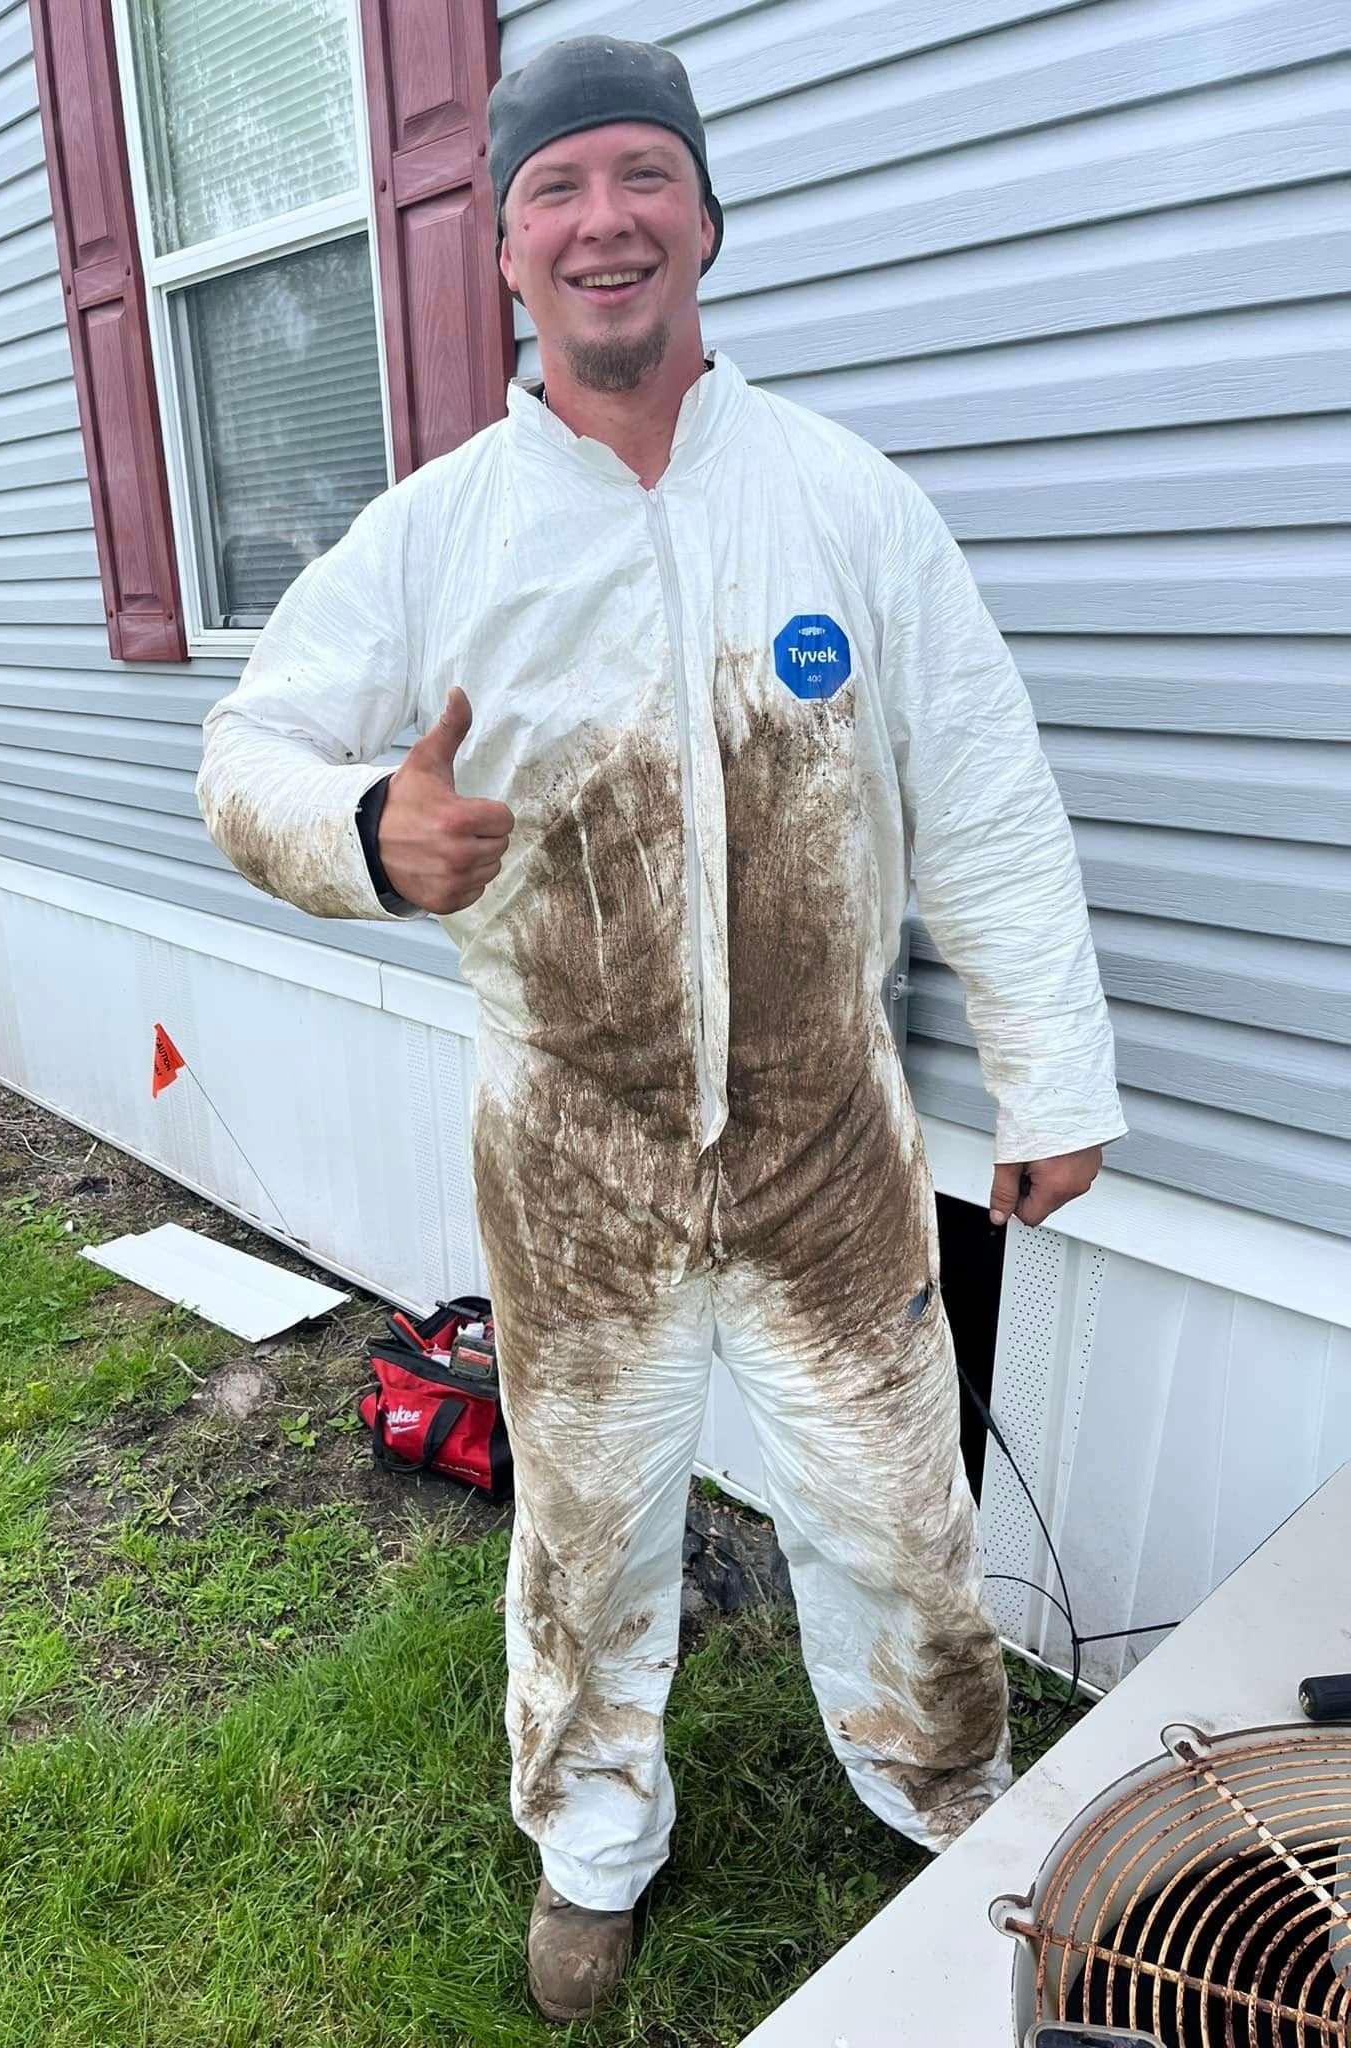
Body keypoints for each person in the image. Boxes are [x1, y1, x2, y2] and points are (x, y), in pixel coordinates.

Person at [195, 35, 1126, 2024]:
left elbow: (984, 797)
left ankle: (945, 1799)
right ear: (502, 244)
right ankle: (595, 1845)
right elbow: (244, 752)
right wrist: (371, 829)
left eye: (641, 178)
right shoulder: (443, 536)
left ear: (705, 218)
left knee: (898, 1515)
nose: (603, 219)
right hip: (573, 1162)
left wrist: (1048, 1076)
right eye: (558, 190)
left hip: (829, 1147)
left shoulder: (848, 506)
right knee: (590, 1541)